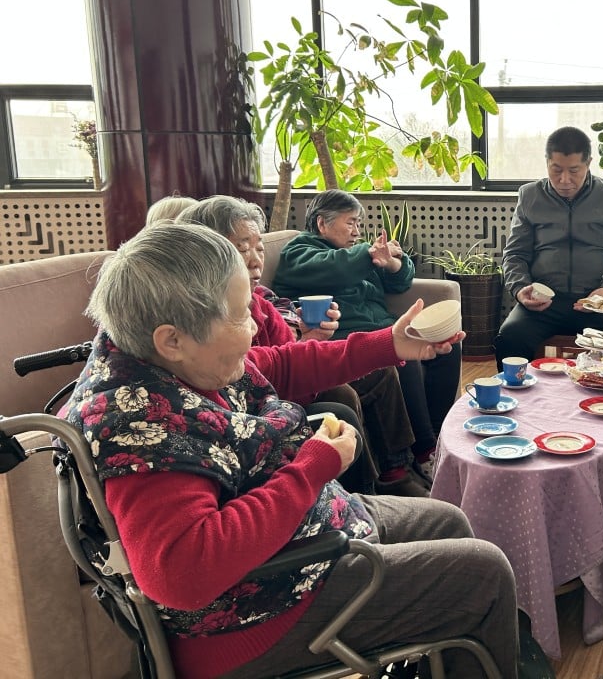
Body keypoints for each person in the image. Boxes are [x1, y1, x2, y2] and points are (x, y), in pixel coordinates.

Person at [62, 224, 519, 679]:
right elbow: (181, 574)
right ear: (172, 339)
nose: (254, 327)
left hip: (296, 546)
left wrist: (389, 343)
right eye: (241, 316)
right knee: (485, 574)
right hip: (256, 616)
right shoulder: (142, 428)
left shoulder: (169, 360)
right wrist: (311, 469)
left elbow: (278, 363)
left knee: (446, 521)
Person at [174, 195, 389, 494]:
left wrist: (311, 340)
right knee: (340, 408)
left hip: (271, 412)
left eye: (259, 248)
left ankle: (383, 480)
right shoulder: (194, 327)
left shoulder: (261, 304)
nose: (255, 260)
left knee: (350, 392)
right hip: (245, 436)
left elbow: (287, 366)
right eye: (242, 249)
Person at [272, 190, 459, 482]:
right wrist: (370, 253)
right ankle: (425, 451)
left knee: (447, 344)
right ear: (322, 223)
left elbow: (400, 283)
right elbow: (336, 267)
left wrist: (393, 263)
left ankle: (440, 436)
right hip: (346, 339)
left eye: (359, 223)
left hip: (381, 327)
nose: (357, 231)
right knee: (403, 355)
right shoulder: (298, 252)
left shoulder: (356, 254)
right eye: (350, 223)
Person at [496, 125, 603, 368]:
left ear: (588, 164)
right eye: (556, 170)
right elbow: (514, 254)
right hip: (544, 304)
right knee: (510, 338)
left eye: (574, 170)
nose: (564, 180)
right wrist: (520, 288)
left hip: (598, 303)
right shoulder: (530, 195)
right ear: (547, 162)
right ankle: (521, 394)